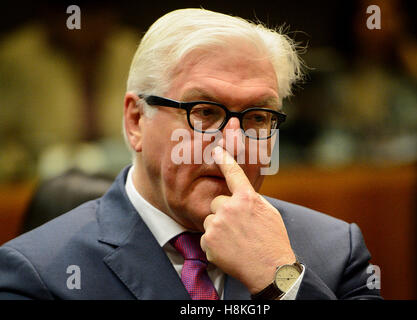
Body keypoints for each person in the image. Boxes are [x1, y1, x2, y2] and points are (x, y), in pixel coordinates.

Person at [0, 8, 381, 300]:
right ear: (136, 121)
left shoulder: (336, 251)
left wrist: (280, 277)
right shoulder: (38, 272)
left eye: (258, 116)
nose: (234, 142)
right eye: (205, 112)